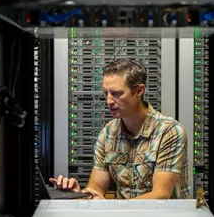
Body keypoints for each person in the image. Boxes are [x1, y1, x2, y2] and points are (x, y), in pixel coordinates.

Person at [50, 58, 191, 199]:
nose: (109, 101)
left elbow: (161, 195)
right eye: (106, 93)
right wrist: (80, 194)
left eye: (116, 93)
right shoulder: (108, 133)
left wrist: (110, 207)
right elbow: (96, 189)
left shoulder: (169, 131)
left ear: (139, 91)